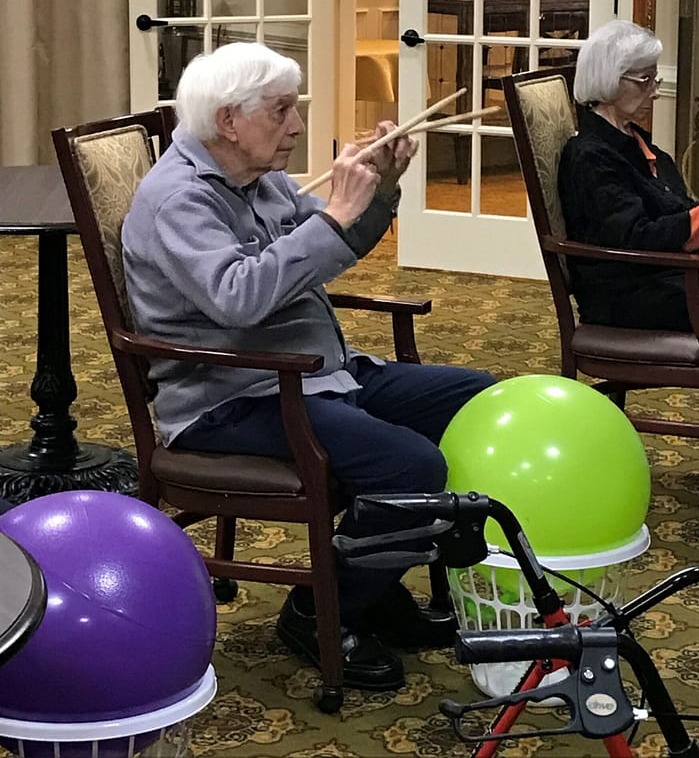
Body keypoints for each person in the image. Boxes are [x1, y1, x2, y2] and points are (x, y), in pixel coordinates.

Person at [121, 41, 496, 691]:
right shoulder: (177, 199)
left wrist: (382, 188)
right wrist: (342, 213)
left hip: (314, 372)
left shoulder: (255, 178)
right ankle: (322, 608)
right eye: (282, 111)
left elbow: (328, 243)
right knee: (410, 465)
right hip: (230, 398)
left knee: (477, 400)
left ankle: (371, 581)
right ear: (229, 121)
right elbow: (240, 298)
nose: (296, 126)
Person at [558, 19, 699, 535]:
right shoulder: (590, 156)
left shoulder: (638, 145)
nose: (654, 90)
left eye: (654, 78)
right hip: (624, 294)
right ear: (609, 80)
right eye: (643, 80)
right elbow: (635, 239)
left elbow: (674, 218)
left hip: (666, 281)